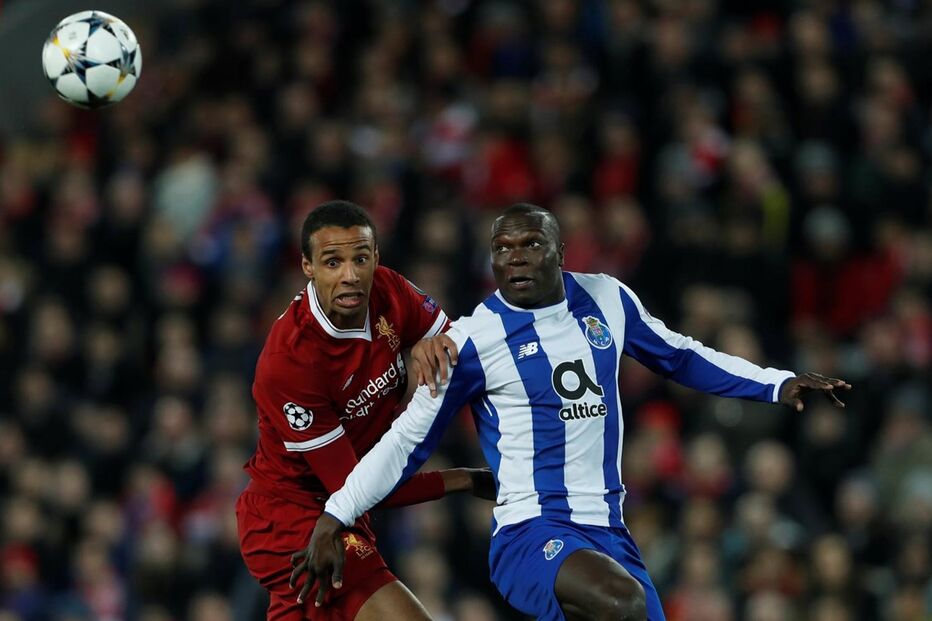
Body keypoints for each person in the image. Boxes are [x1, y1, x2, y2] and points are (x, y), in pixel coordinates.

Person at [290, 203, 851, 620]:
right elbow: (405, 442)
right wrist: (335, 516)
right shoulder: (471, 341)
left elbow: (681, 357)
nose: (514, 259)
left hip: (608, 530)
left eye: (529, 245)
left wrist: (778, 384)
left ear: (559, 250)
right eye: (502, 249)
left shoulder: (607, 298)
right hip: (530, 533)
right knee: (622, 604)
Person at [235, 200, 494, 621]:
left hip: (342, 508)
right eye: (332, 262)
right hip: (296, 515)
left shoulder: (390, 290)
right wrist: (464, 479)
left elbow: (461, 351)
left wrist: (430, 343)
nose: (350, 275)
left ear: (376, 257)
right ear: (307, 267)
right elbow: (360, 487)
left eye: (360, 258)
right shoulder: (290, 362)